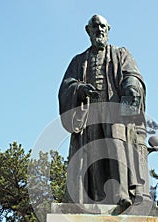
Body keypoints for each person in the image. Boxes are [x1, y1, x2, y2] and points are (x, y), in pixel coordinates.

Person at [58, 14, 149, 210]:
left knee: (116, 147)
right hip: (89, 112)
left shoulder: (121, 54)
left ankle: (121, 194)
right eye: (95, 26)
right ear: (87, 30)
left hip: (114, 110)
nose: (99, 30)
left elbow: (132, 76)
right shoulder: (78, 60)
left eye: (103, 27)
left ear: (109, 30)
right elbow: (67, 86)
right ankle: (96, 198)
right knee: (92, 152)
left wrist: (130, 88)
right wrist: (80, 89)